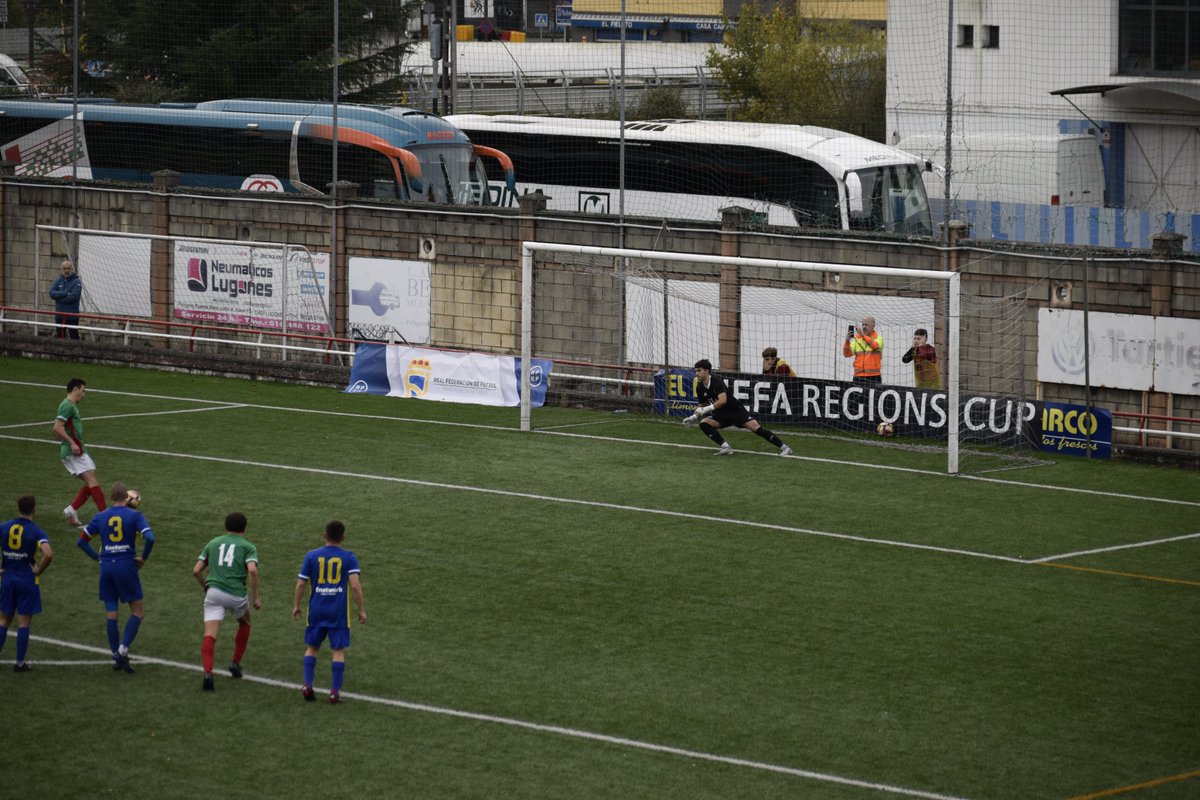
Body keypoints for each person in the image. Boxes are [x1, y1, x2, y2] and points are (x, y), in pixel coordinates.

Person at [77, 482, 155, 674]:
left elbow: (81, 542)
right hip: (126, 565)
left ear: (111, 497)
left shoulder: (101, 516)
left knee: (111, 612)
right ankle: (122, 649)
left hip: (107, 567)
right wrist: (143, 558)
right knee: (137, 611)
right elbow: (150, 538)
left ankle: (116, 656)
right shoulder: (135, 515)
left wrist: (98, 558)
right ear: (127, 498)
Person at [293, 520, 366, 704]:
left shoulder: (311, 556)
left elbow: (301, 583)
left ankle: (307, 685)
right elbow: (356, 587)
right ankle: (334, 692)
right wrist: (361, 610)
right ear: (343, 537)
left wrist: (297, 605)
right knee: (338, 651)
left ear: (324, 535)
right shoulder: (349, 558)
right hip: (338, 612)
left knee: (312, 648)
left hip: (316, 610)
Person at [193, 512, 261, 692]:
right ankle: (235, 663)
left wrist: (205, 587)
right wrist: (255, 598)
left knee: (210, 634)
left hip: (213, 593)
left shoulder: (213, 543)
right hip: (236, 595)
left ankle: (208, 673)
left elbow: (196, 570)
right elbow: (253, 571)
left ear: (225, 527)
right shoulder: (248, 547)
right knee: (245, 623)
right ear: (244, 529)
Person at [683, 359, 793, 457]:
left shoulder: (717, 382)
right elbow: (701, 406)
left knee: (756, 428)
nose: (696, 373)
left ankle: (785, 448)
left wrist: (707, 409)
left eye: (699, 370)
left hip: (736, 411)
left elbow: (723, 400)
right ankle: (726, 447)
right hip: (721, 414)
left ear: (707, 371)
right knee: (704, 423)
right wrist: (693, 417)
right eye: (696, 371)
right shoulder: (700, 387)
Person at [0, 496, 54, 672]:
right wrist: (38, 571)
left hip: (8, 579)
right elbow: (48, 554)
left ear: (17, 508)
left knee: (3, 620)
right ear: (34, 510)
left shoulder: (4, 527)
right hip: (27, 580)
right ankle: (20, 663)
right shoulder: (36, 532)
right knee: (23, 622)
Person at [54, 378, 106, 528]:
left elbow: (56, 430)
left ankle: (72, 510)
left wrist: (69, 441)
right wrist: (71, 443)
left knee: (92, 483)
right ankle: (105, 517)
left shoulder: (69, 405)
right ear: (75, 389)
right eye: (83, 390)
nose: (84, 394)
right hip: (74, 452)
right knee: (93, 483)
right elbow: (57, 428)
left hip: (77, 450)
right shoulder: (67, 405)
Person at [843, 315, 883, 383]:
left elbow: (875, 346)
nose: (864, 327)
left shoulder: (878, 338)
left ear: (873, 326)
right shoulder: (857, 339)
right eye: (863, 325)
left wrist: (863, 336)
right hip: (858, 377)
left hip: (873, 377)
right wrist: (847, 341)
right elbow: (847, 354)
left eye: (866, 325)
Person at [48, 259, 82, 340]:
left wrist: (59, 298)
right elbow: (51, 293)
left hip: (72, 316)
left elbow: (74, 297)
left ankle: (76, 351)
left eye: (68, 268)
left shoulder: (76, 281)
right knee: (60, 337)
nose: (66, 270)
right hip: (59, 315)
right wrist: (65, 293)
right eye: (64, 268)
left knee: (74, 337)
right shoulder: (58, 280)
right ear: (61, 269)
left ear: (71, 269)